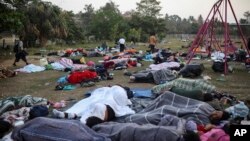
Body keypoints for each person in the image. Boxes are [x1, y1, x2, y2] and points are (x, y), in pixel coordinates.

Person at [52, 85, 135, 127]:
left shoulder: (121, 91)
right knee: (88, 103)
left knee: (98, 106)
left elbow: (122, 101)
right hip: (103, 101)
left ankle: (78, 118)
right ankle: (71, 114)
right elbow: (98, 92)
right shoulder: (112, 88)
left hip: (109, 104)